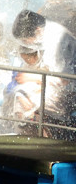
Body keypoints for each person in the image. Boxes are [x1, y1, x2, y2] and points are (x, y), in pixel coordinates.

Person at [7, 10, 76, 138]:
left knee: (36, 101)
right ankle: (30, 133)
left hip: (69, 90)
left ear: (37, 30)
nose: (28, 44)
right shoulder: (46, 35)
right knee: (19, 93)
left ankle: (46, 136)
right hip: (54, 85)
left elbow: (63, 80)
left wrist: (33, 77)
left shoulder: (57, 40)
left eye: (27, 40)